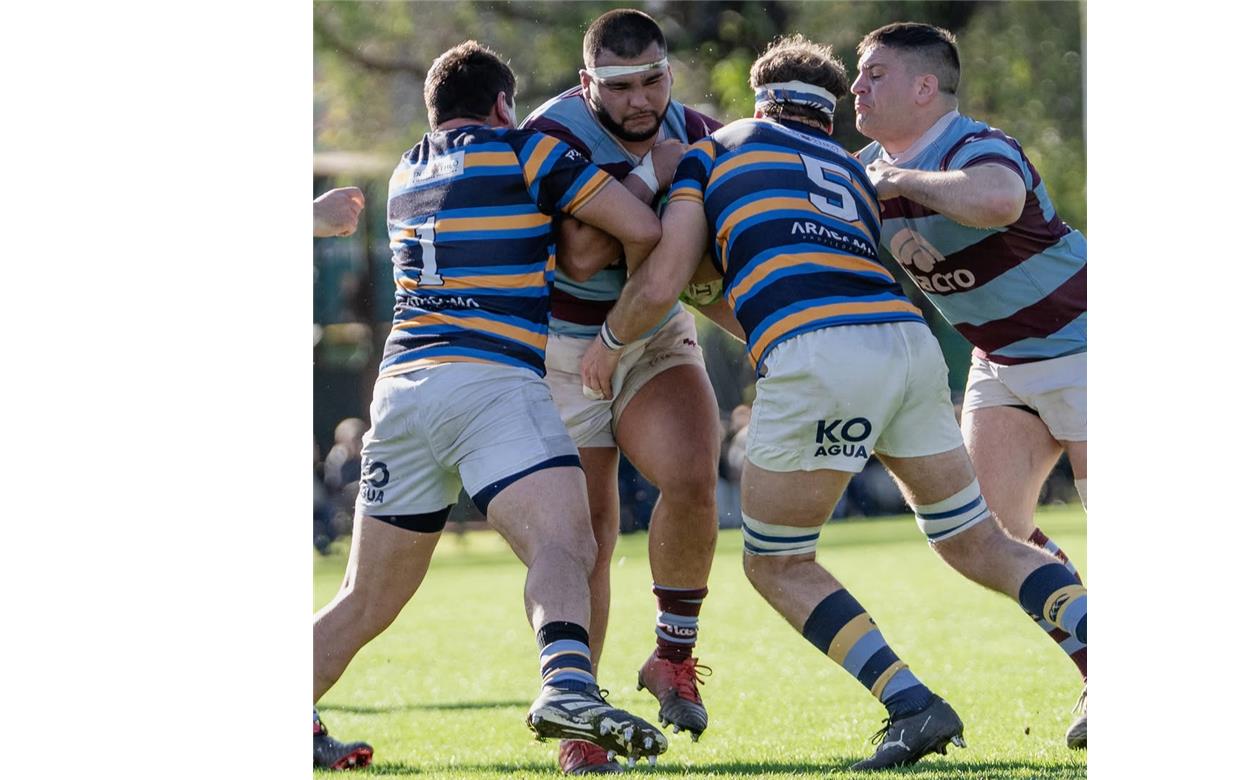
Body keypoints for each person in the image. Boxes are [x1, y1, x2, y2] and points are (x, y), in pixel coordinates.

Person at [579, 34, 1090, 771]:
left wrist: (609, 339)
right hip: (910, 346)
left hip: (847, 351)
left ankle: (911, 704)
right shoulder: (851, 174)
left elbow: (664, 279)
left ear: (760, 100)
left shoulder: (714, 151)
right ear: (828, 113)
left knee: (775, 562)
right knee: (979, 536)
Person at [311, 39, 670, 771]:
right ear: (503, 103)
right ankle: (569, 683)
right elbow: (637, 227)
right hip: (491, 382)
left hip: (403, 392)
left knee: (364, 599)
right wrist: (655, 173)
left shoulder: (408, 169)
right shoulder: (528, 150)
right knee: (565, 543)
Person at [851, 22, 1089, 749]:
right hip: (1002, 364)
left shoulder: (974, 145)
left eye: (874, 75)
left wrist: (902, 180)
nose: (857, 87)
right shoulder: (864, 170)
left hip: (1088, 346)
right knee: (981, 533)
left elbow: (997, 202)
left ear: (926, 88)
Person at [520, 9, 724, 774]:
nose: (642, 101)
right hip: (564, 344)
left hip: (652, 330)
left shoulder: (696, 128)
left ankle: (672, 656)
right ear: (587, 83)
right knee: (592, 531)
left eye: (653, 81)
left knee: (693, 477)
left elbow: (704, 260)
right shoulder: (551, 130)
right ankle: (585, 716)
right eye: (621, 86)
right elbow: (581, 254)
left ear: (670, 72)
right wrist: (656, 175)